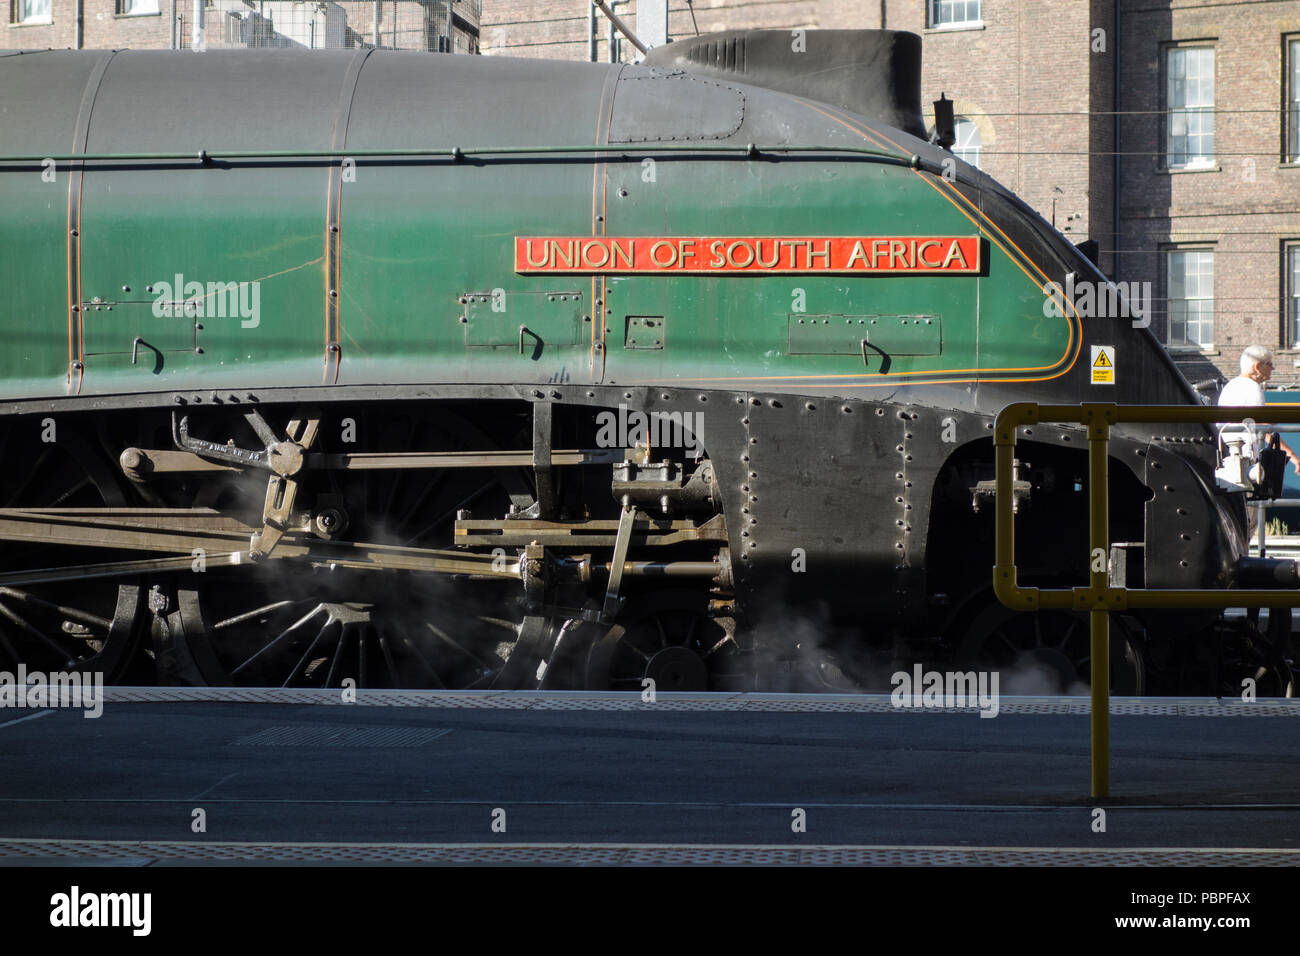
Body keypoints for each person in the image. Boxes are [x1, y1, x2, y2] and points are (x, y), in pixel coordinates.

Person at [1217, 346, 1300, 477]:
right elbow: (1262, 427)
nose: (1273, 368)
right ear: (1257, 366)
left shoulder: (1231, 386)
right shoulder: (1252, 388)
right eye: (1269, 364)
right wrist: (1293, 456)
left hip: (1230, 453)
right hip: (1247, 457)